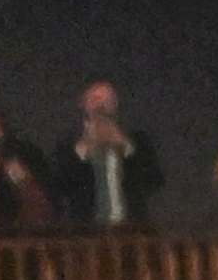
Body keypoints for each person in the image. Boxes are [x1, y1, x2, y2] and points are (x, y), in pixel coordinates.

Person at [53, 80, 163, 229]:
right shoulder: (68, 147)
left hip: (132, 230)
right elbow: (59, 189)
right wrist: (84, 148)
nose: (101, 105)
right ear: (83, 104)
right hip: (86, 234)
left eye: (107, 99)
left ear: (115, 104)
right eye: (96, 98)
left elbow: (154, 181)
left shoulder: (137, 142)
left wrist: (124, 145)